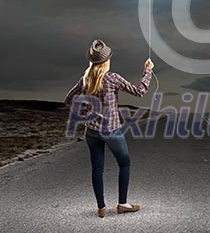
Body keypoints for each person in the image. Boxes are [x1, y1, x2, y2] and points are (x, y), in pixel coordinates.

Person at [64, 39, 153, 218]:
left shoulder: (85, 79)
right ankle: (122, 204)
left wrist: (85, 112)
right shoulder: (113, 78)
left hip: (92, 132)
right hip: (112, 130)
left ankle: (101, 208)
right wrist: (148, 71)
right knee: (124, 163)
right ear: (106, 61)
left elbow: (68, 100)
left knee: (97, 168)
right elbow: (140, 91)